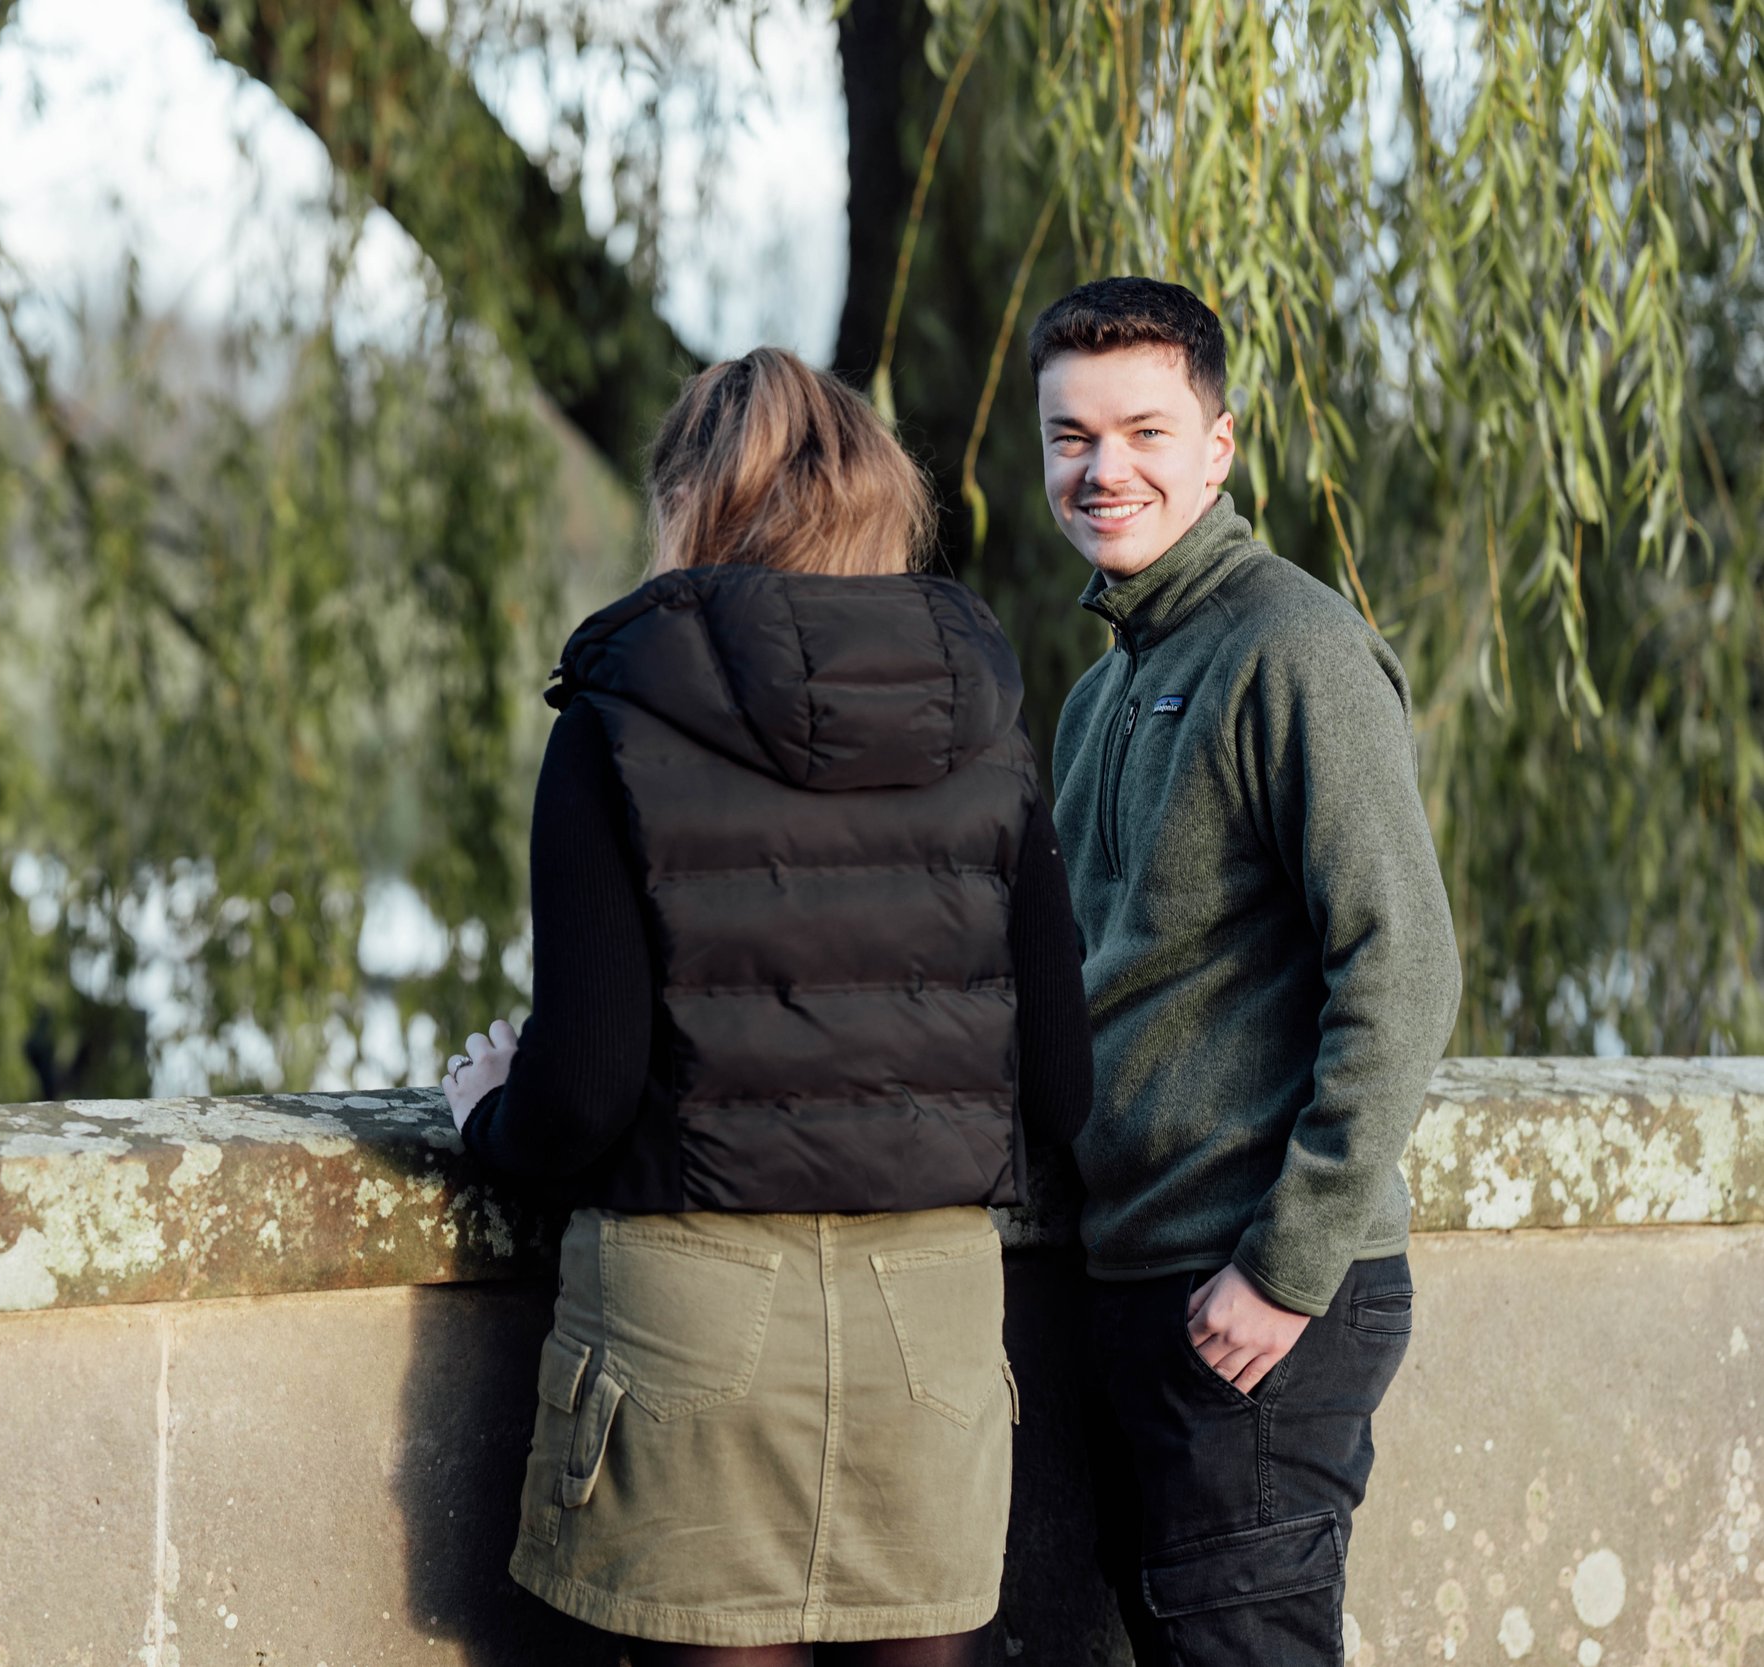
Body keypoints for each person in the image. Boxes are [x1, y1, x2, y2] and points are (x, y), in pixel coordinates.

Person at [438, 348, 1092, 1667]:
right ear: (879, 494)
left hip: (694, 1306)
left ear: (691, 502)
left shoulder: (620, 712)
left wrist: (486, 1118)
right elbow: (1065, 1083)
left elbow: (581, 1088)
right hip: (935, 1312)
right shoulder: (988, 717)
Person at [1030, 276, 1462, 1666]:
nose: (1107, 469)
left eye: (1147, 431)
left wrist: (1286, 1266)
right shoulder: (1104, 688)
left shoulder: (1297, 650)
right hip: (1137, 1286)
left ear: (1218, 450)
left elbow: (1403, 968)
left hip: (1252, 1301)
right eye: (1071, 437)